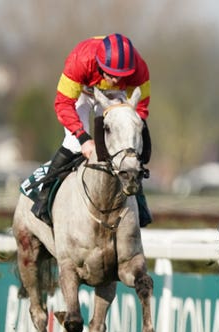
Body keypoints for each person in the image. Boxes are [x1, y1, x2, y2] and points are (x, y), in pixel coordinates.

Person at [31, 33, 153, 227]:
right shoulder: (80, 60)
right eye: (111, 74)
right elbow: (63, 103)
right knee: (73, 144)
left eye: (121, 75)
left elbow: (141, 107)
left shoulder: (138, 68)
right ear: (98, 64)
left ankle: (139, 199)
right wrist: (83, 137)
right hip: (84, 93)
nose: (115, 79)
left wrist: (131, 126)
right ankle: (44, 198)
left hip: (115, 98)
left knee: (128, 144)